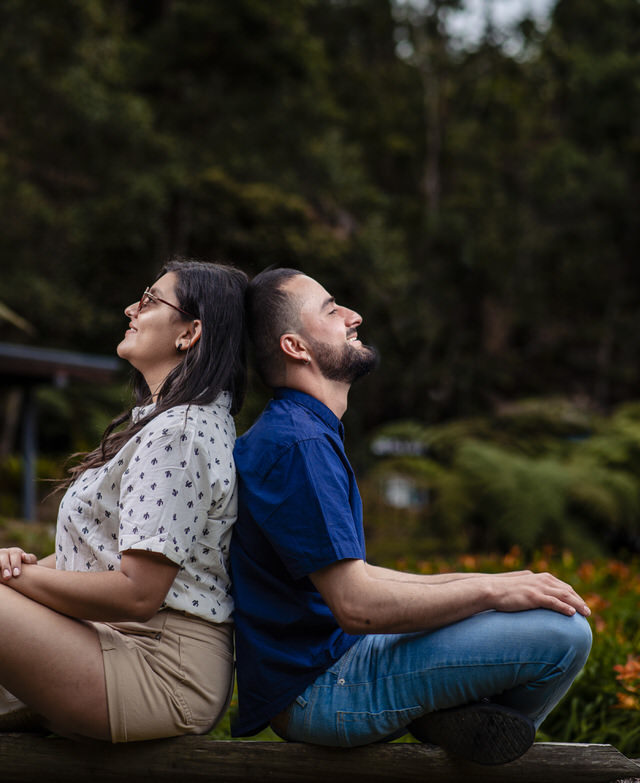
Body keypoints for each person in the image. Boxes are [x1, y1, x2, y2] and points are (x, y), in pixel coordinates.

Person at [229, 267, 593, 764]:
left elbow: (356, 578)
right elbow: (356, 606)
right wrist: (491, 590)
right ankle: (471, 744)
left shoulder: (300, 430)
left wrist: (495, 581)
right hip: (320, 688)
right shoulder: (298, 444)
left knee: (529, 604)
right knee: (564, 635)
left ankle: (457, 723)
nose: (354, 317)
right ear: (296, 347)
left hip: (335, 660)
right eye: (333, 310)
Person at [0, 260, 248, 742]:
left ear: (190, 332)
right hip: (110, 641)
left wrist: (12, 579)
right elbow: (99, 558)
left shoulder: (180, 433)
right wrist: (14, 568)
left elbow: (138, 593)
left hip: (161, 671)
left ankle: (2, 694)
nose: (131, 308)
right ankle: (7, 696)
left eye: (150, 300)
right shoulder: (164, 422)